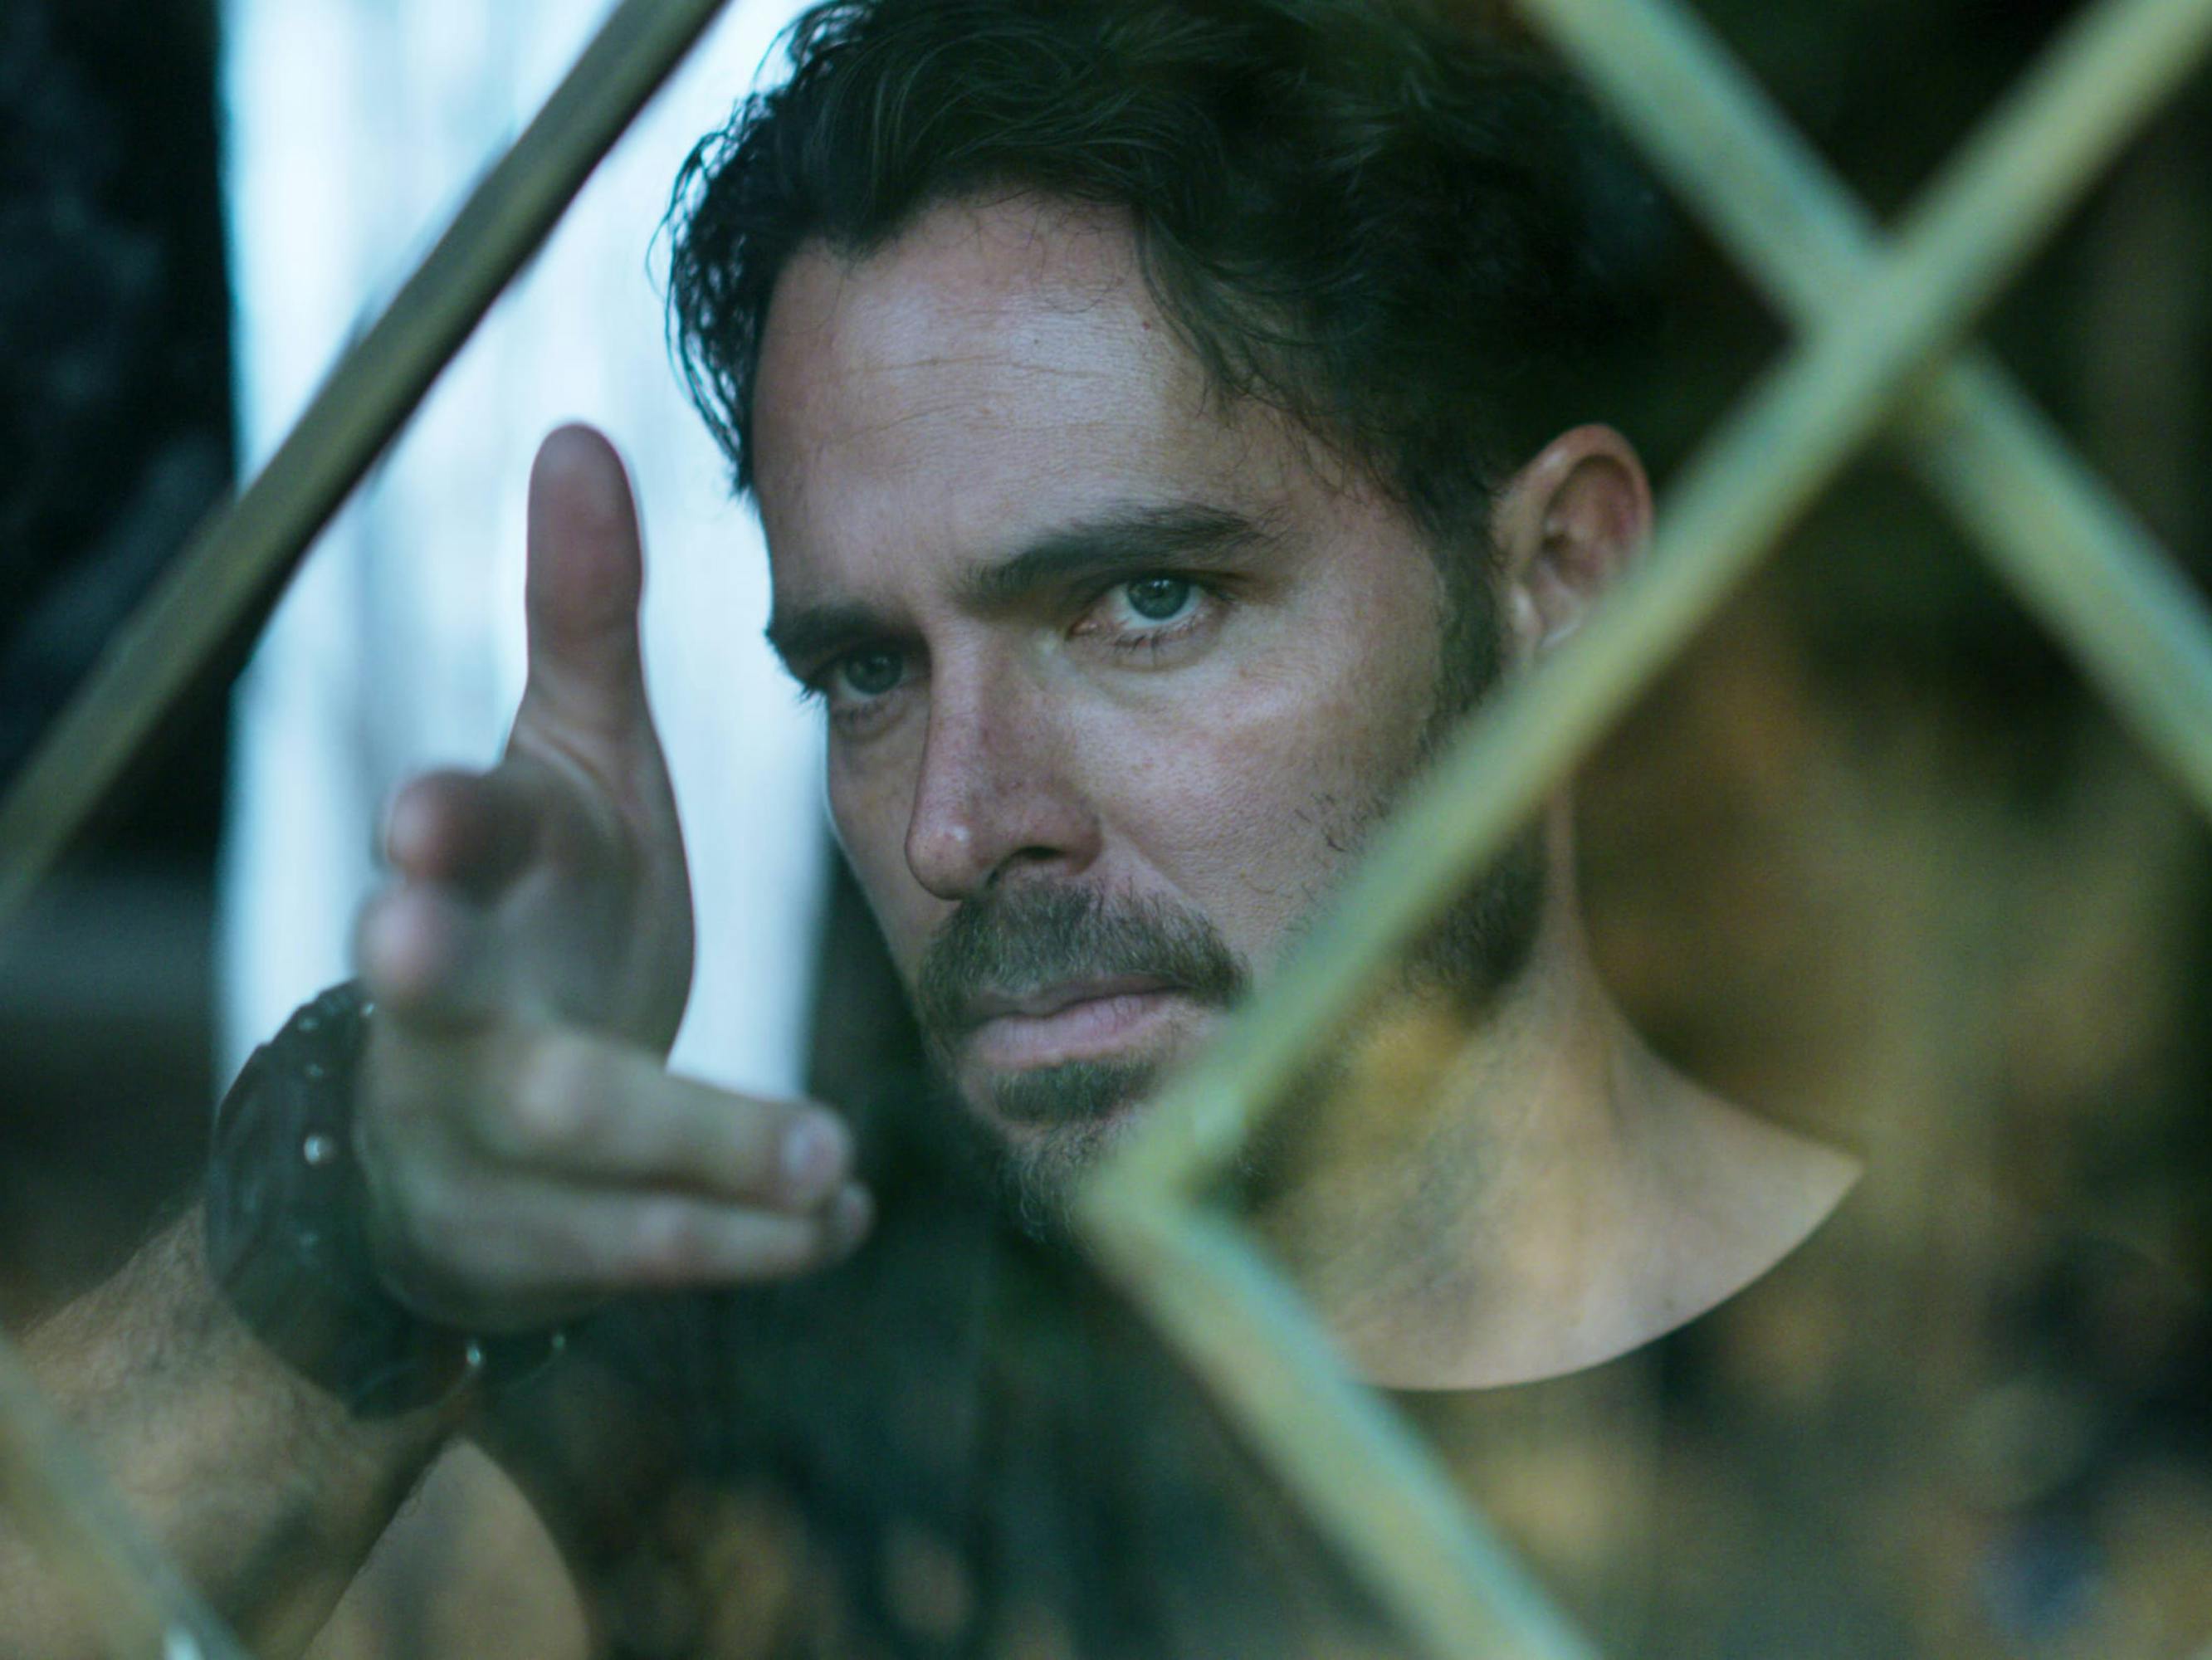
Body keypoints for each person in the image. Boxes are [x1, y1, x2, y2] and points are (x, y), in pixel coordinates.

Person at [12, 0, 2205, 1655]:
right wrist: (343, 1221)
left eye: (1142, 602)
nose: (964, 822)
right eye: (865, 671)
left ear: (1557, 586)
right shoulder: (730, 1449)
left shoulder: (2049, 1458)